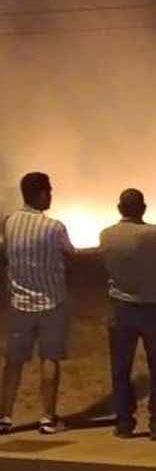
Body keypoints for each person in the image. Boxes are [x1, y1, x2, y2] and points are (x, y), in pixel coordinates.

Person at [98, 189, 156, 440]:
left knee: (121, 368)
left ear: (119, 208)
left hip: (121, 307)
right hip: (153, 305)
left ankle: (124, 422)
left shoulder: (107, 234)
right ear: (143, 208)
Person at [0, 172, 75, 435]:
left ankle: (5, 417)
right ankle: (47, 418)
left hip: (19, 303)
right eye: (49, 191)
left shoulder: (8, 223)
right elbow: (70, 252)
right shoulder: (54, 227)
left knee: (13, 362)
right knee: (50, 359)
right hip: (51, 304)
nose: (51, 196)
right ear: (41, 193)